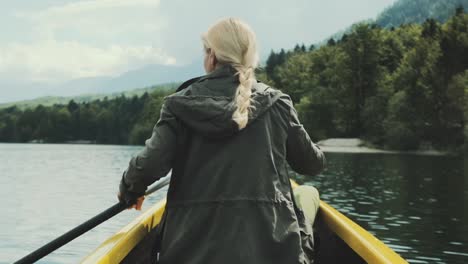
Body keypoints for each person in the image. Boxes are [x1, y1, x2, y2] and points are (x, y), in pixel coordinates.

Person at [118, 17, 325, 264]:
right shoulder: (278, 104)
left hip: (189, 254)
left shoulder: (178, 104)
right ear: (250, 56)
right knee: (308, 193)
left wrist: (131, 190)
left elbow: (149, 166)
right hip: (271, 253)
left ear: (212, 56)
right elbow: (312, 165)